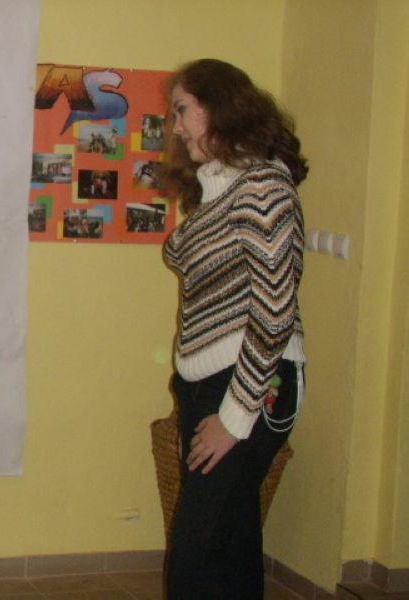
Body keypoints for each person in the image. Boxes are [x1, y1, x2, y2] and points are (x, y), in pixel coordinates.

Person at [160, 59, 308, 599]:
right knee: (229, 541)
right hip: (208, 384)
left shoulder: (263, 187)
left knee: (197, 554)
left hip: (252, 384)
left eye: (182, 110)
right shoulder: (223, 188)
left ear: (219, 107)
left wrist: (235, 416)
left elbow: (274, 312)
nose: (176, 127)